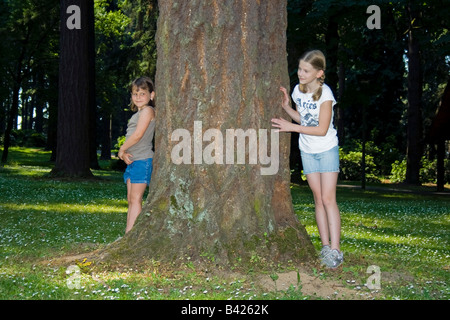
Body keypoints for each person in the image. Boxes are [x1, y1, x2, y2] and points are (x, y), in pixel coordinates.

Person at [271, 50, 343, 268]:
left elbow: (321, 129)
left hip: (327, 149)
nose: (300, 73)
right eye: (300, 68)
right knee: (318, 199)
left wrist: (290, 127)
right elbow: (306, 120)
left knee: (329, 199)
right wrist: (286, 108)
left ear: (319, 73)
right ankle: (324, 247)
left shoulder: (326, 94)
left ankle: (336, 249)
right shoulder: (297, 91)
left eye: (306, 70)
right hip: (307, 150)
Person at [119, 76, 156, 233]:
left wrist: (121, 150)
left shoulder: (148, 111)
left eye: (142, 93)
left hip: (142, 160)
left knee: (135, 199)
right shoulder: (138, 113)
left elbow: (138, 135)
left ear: (151, 95)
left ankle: (130, 235)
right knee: (131, 200)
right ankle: (128, 234)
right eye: (135, 94)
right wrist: (126, 153)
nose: (138, 97)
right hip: (133, 160)